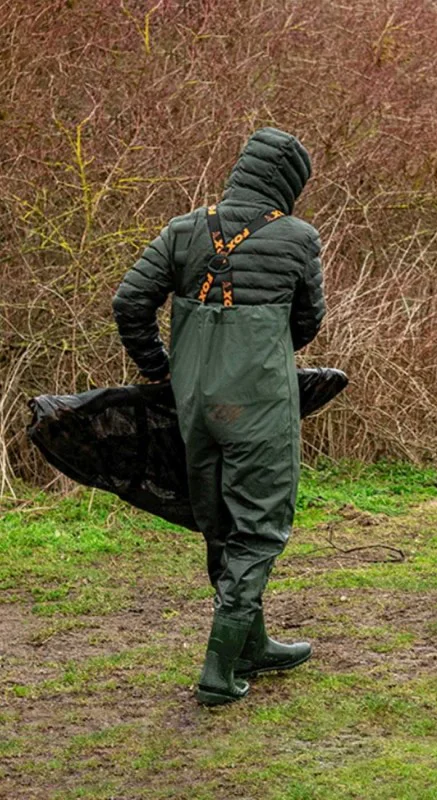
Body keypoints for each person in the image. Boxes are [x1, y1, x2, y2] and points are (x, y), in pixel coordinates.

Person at [112, 127, 325, 705]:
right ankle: (218, 669)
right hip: (257, 407)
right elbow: (306, 324)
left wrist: (161, 368)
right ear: (287, 184)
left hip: (196, 407)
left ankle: (251, 646)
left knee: (219, 524)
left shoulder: (184, 229)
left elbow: (129, 302)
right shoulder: (297, 238)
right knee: (258, 528)